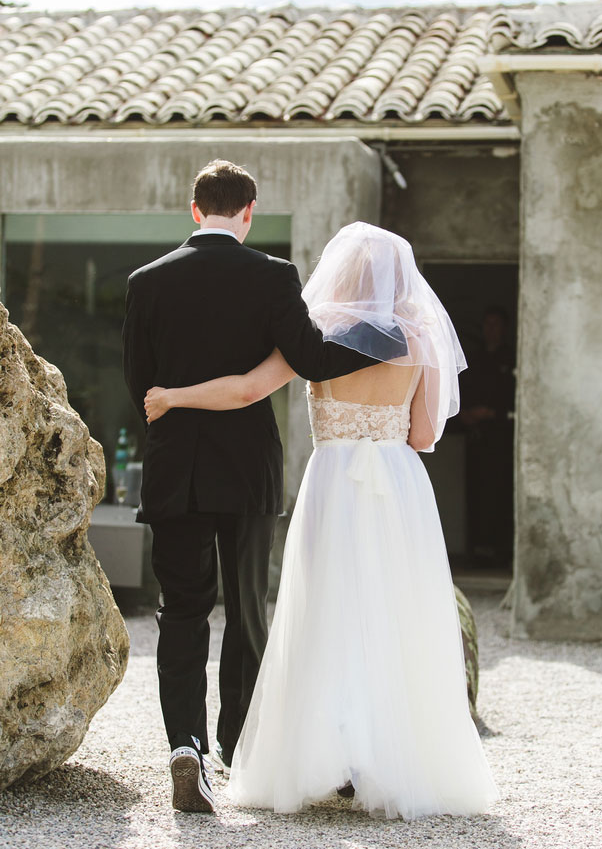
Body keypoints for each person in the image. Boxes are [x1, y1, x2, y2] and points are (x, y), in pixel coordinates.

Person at [144, 222, 498, 820]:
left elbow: (247, 391)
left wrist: (174, 396)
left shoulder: (316, 336)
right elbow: (424, 433)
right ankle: (384, 761)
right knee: (394, 613)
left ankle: (327, 755)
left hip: (333, 481)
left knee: (326, 613)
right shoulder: (417, 336)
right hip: (397, 482)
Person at [122, 161, 387, 814]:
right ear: (249, 211)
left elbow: (142, 389)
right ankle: (236, 749)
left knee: (181, 611)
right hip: (247, 470)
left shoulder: (145, 282)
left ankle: (185, 748)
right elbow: (315, 358)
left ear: (193, 210)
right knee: (247, 612)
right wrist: (384, 337)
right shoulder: (273, 277)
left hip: (175, 470)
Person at [459, 306, 515, 568]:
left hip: (502, 441)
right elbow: (459, 396)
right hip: (476, 440)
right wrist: (467, 416)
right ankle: (476, 552)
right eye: (487, 324)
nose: (491, 329)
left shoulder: (512, 360)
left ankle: (501, 553)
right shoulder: (473, 360)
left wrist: (492, 413)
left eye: (496, 324)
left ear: (504, 328)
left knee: (501, 494)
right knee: (476, 493)